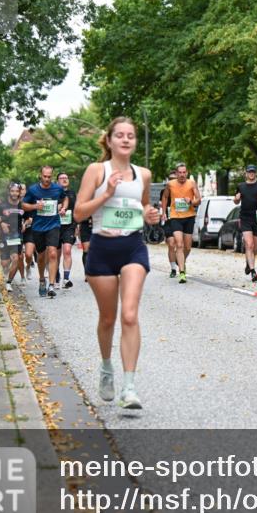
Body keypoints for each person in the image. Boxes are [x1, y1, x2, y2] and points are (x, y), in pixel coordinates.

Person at [74, 116, 159, 410]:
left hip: (133, 247)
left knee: (130, 315)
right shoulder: (97, 170)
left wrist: (149, 214)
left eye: (131, 136)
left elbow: (145, 203)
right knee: (108, 319)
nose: (125, 140)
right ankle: (106, 367)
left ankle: (130, 387)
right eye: (119, 135)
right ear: (109, 141)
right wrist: (107, 193)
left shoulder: (143, 174)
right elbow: (78, 213)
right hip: (102, 249)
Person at [22, 165, 68, 298]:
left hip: (53, 225)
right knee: (41, 257)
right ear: (40, 175)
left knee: (53, 253)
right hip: (38, 227)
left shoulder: (57, 188)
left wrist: (64, 208)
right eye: (44, 176)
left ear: (52, 176)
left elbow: (65, 198)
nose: (47, 179)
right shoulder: (33, 190)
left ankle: (52, 285)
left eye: (49, 176)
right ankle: (42, 279)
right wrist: (35, 206)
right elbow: (24, 205)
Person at [160, 162, 201, 284]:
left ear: (187, 173)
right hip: (175, 217)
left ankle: (180, 261)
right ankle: (182, 272)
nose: (182, 175)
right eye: (180, 173)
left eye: (184, 172)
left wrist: (191, 201)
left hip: (189, 217)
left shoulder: (192, 183)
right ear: (176, 173)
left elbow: (199, 200)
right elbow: (165, 197)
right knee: (179, 244)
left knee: (188, 247)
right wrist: (163, 212)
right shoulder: (170, 184)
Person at [234, 164, 257, 282]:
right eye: (249, 172)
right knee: (249, 244)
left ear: (256, 173)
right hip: (245, 218)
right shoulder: (241, 186)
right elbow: (235, 201)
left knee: (256, 246)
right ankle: (253, 271)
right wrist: (237, 199)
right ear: (246, 173)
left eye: (253, 172)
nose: (251, 174)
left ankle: (249, 263)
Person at [0, 184, 25, 293]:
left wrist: (26, 223)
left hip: (17, 236)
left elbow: (30, 217)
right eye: (12, 191)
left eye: (17, 191)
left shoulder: (23, 205)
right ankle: (7, 274)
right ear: (9, 192)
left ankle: (9, 282)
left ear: (19, 192)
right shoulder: (2, 205)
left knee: (16, 258)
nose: (14, 193)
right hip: (4, 236)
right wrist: (1, 223)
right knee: (5, 263)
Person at [56, 172, 78, 288]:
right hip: (56, 226)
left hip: (69, 226)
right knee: (56, 254)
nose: (64, 179)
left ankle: (66, 278)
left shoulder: (73, 194)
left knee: (67, 250)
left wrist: (77, 226)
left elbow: (76, 210)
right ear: (57, 181)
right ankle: (55, 274)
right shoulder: (54, 193)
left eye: (66, 178)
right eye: (62, 178)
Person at [158, 170, 177, 277]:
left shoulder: (183, 190)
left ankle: (180, 258)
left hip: (180, 219)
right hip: (169, 220)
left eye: (174, 179)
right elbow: (161, 205)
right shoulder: (164, 192)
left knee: (181, 245)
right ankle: (173, 269)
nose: (172, 181)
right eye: (170, 179)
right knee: (171, 244)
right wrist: (162, 215)